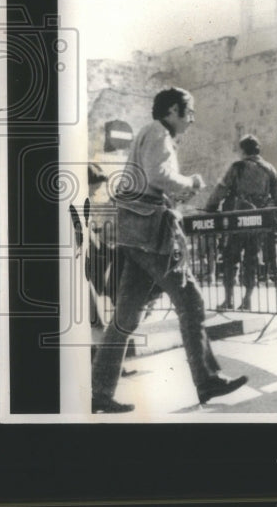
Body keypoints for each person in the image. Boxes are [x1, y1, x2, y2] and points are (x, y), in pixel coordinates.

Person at [91, 87, 248, 413]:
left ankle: (99, 392)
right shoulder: (160, 133)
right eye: (189, 113)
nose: (191, 120)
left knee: (124, 319)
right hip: (153, 235)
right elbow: (158, 175)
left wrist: (174, 192)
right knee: (190, 302)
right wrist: (189, 182)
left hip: (136, 233)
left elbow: (148, 182)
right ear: (173, 110)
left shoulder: (148, 134)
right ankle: (207, 380)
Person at [204, 134, 277, 311]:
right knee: (252, 260)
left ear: (243, 150)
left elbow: (222, 188)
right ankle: (247, 300)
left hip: (236, 220)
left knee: (230, 259)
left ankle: (228, 300)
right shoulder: (269, 168)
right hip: (258, 222)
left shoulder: (238, 167)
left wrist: (210, 207)